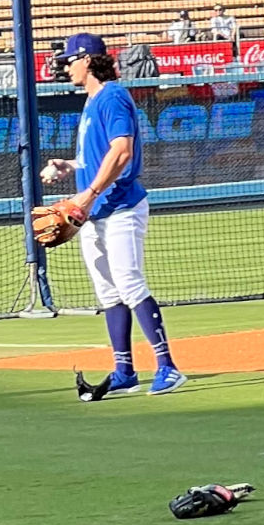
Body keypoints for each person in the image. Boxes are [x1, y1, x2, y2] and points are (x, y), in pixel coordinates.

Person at [40, 33, 185, 397]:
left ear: (87, 60)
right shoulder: (91, 102)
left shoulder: (113, 96)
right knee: (107, 292)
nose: (66, 67)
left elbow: (121, 152)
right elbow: (96, 158)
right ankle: (125, 371)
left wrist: (87, 195)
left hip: (120, 205)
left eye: (69, 60)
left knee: (129, 282)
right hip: (95, 210)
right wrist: (68, 165)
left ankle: (167, 367)